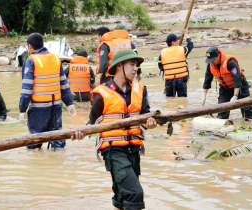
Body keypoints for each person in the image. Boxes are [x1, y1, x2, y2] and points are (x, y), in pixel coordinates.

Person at [73, 49, 158, 210]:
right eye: (132, 64)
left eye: (137, 65)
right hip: (113, 150)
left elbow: (145, 118)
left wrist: (150, 123)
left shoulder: (140, 90)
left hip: (133, 148)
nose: (136, 69)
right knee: (135, 193)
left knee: (122, 196)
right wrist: (82, 132)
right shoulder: (101, 93)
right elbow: (93, 122)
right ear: (119, 66)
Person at [19, 33, 76, 151]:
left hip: (38, 109)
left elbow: (26, 89)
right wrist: (69, 103)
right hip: (56, 107)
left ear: (30, 46)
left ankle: (37, 166)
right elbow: (64, 84)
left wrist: (22, 110)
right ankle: (58, 162)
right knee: (57, 139)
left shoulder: (31, 61)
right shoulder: (55, 58)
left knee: (35, 141)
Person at [202, 47, 252, 119]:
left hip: (240, 87)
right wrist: (204, 95)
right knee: (222, 110)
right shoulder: (210, 65)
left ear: (218, 56)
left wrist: (235, 96)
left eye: (213, 59)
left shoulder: (230, 62)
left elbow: (237, 79)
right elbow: (207, 80)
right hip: (225, 88)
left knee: (247, 110)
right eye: (210, 60)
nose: (211, 62)